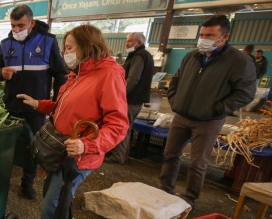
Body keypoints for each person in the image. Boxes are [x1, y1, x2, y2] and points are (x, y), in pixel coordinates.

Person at [17, 24, 129, 219]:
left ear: (87, 46)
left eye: (69, 48)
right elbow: (64, 106)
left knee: (50, 211)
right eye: (64, 47)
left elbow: (118, 125)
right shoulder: (77, 74)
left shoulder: (109, 75)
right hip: (60, 154)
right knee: (53, 200)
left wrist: (87, 145)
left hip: (78, 158)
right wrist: (39, 104)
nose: (64, 53)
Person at [160, 15, 256, 208]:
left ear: (224, 36)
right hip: (181, 116)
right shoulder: (192, 56)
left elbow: (245, 93)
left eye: (210, 35)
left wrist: (217, 109)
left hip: (208, 120)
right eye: (202, 34)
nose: (204, 39)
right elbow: (176, 79)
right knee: (170, 155)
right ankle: (164, 191)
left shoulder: (239, 61)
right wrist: (174, 99)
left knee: (197, 163)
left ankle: (189, 199)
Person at [0, 4, 69, 200]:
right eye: (13, 26)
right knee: (7, 147)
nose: (16, 30)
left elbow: (61, 74)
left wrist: (56, 102)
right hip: (11, 106)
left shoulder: (48, 42)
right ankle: (2, 181)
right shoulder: (5, 44)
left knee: (34, 148)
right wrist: (2, 73)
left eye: (21, 25)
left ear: (31, 23)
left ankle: (27, 183)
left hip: (36, 107)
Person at [106, 32, 154, 164]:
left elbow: (133, 79)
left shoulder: (139, 56)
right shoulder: (144, 55)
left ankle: (118, 156)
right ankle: (122, 154)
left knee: (121, 127)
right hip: (135, 99)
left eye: (130, 41)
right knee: (126, 127)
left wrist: (119, 94)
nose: (127, 43)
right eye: (127, 41)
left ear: (139, 43)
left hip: (130, 99)